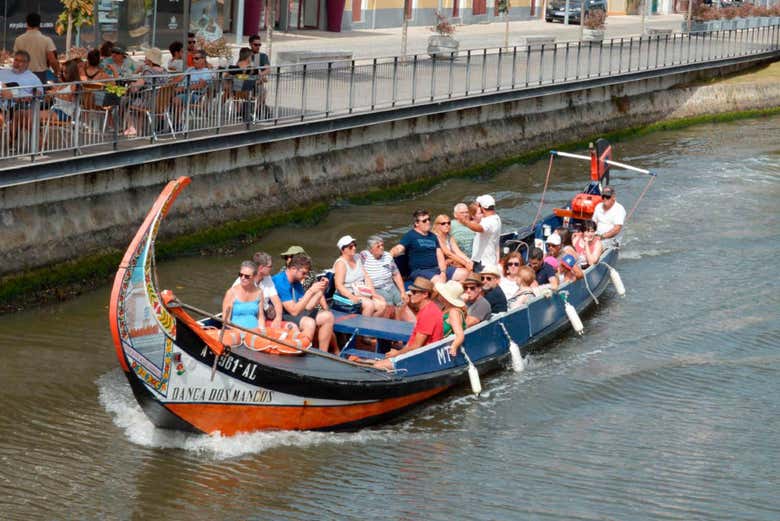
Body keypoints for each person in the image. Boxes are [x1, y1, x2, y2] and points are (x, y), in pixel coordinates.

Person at [373, 277, 443, 370]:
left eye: (414, 292)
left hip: (423, 357)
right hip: (421, 352)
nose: (410, 294)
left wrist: (397, 353)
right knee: (373, 361)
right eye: (411, 291)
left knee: (377, 366)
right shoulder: (428, 308)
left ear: (425, 294)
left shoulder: (428, 314)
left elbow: (417, 346)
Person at [272, 253, 335, 352]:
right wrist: (310, 291)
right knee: (309, 323)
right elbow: (293, 311)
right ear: (293, 268)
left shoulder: (296, 282)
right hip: (281, 315)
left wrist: (321, 290)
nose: (305, 276)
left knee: (328, 316)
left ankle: (323, 353)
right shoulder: (281, 281)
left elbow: (307, 307)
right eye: (304, 273)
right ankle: (302, 354)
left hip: (294, 314)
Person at [390, 209, 465, 283]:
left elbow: (439, 256)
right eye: (424, 221)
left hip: (437, 269)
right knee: (440, 281)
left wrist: (443, 272)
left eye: (429, 219)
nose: (428, 222)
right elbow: (399, 248)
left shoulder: (433, 236)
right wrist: (390, 254)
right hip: (420, 271)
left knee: (466, 274)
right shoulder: (410, 236)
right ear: (416, 223)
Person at [360, 235, 415, 321]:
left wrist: (403, 292)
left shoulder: (388, 257)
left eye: (382, 245)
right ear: (371, 249)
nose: (381, 247)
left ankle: (398, 321)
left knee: (403, 301)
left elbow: (396, 274)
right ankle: (386, 325)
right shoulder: (364, 256)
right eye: (378, 246)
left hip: (390, 285)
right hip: (376, 287)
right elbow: (352, 261)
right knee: (388, 304)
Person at [333, 235, 386, 317]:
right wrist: (351, 297)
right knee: (369, 305)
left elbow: (366, 277)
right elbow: (339, 285)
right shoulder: (341, 263)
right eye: (350, 247)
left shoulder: (357, 257)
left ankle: (370, 323)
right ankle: (364, 326)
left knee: (382, 304)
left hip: (361, 292)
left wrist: (373, 293)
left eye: (355, 245)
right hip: (345, 296)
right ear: (343, 250)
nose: (354, 248)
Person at [0, 51, 43, 146]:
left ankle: (13, 139)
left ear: (27, 63)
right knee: (22, 114)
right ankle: (38, 141)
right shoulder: (3, 72)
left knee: (22, 113)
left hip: (19, 105)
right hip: (2, 105)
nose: (17, 63)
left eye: (21, 61)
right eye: (16, 60)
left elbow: (39, 93)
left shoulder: (32, 77)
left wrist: (31, 97)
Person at [124, 47, 167, 137]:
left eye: (147, 57)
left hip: (148, 102)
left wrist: (131, 84)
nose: (145, 58)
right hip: (162, 102)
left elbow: (135, 89)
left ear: (151, 60)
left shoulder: (148, 72)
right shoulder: (164, 71)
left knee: (128, 105)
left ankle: (132, 129)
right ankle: (139, 132)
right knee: (137, 106)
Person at [221, 260, 265, 345]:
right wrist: (242, 332)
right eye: (240, 275)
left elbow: (260, 317)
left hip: (255, 336)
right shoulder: (231, 293)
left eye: (247, 276)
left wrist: (262, 331)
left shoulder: (259, 292)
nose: (243, 278)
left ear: (255, 276)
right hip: (237, 335)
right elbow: (225, 321)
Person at [13, 13, 59, 83]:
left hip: (23, 74)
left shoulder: (18, 39)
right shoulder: (46, 40)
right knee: (40, 93)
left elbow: (16, 61)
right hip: (40, 76)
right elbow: (52, 60)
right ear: (39, 24)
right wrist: (56, 73)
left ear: (27, 23)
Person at [460, 194, 501, 272]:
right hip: (489, 260)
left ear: (482, 208)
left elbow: (480, 228)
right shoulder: (496, 217)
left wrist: (465, 222)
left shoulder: (488, 222)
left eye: (479, 205)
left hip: (483, 262)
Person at [434, 280, 467, 357]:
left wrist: (454, 346)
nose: (439, 294)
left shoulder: (453, 312)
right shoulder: (445, 308)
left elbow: (460, 335)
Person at [44, 59, 80, 124]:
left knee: (34, 115)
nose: (63, 74)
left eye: (66, 72)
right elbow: (55, 92)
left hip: (65, 113)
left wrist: (55, 93)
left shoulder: (74, 84)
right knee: (30, 114)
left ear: (72, 72)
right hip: (55, 109)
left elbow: (69, 98)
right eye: (62, 72)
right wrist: (49, 95)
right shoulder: (63, 84)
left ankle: (37, 133)